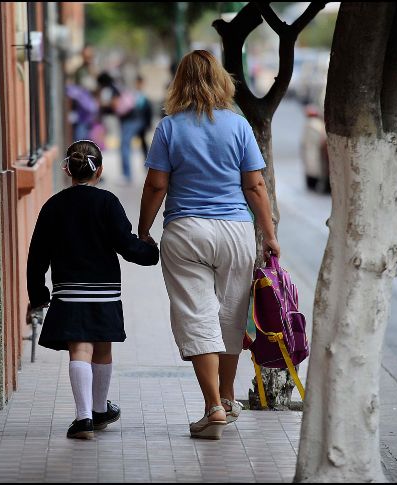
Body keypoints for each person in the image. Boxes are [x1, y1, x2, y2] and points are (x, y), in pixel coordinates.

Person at [137, 50, 281, 440]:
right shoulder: (238, 126)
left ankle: (213, 406)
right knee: (232, 316)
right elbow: (255, 185)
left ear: (179, 82)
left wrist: (143, 229)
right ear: (222, 81)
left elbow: (156, 184)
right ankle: (228, 398)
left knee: (197, 315)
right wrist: (269, 236)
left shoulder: (169, 128)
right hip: (236, 231)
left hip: (186, 230)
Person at [26, 140, 160, 440]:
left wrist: (38, 297)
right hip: (104, 292)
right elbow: (126, 245)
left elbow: (37, 256)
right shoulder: (108, 203)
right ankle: (99, 409)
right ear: (99, 170)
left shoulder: (53, 206)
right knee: (103, 348)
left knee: (79, 349)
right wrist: (151, 253)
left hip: (69, 291)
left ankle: (84, 417)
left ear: (66, 170)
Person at [96, 72, 142, 184]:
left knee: (124, 146)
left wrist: (103, 106)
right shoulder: (117, 86)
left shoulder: (112, 89)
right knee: (124, 146)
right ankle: (127, 174)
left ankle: (127, 175)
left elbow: (115, 104)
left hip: (129, 120)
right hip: (131, 119)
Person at [134, 75, 153, 159]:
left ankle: (146, 159)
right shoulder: (134, 95)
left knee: (143, 142)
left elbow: (148, 112)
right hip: (135, 121)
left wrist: (148, 124)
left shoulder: (144, 96)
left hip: (143, 123)